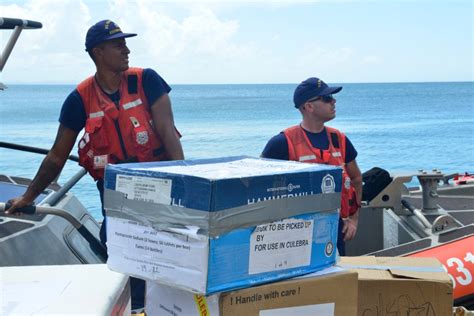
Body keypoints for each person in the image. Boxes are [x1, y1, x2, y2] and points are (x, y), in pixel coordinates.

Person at [6, 20, 184, 311]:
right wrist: (28, 197)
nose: (127, 49)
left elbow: (167, 132)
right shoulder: (79, 99)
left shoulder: (148, 80)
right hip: (115, 193)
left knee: (165, 253)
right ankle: (136, 308)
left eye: (125, 43)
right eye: (118, 44)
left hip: (159, 185)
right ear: (98, 52)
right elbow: (57, 155)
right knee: (121, 253)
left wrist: (185, 186)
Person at [261, 77, 362, 256]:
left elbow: (356, 178)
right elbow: (259, 185)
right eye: (327, 98)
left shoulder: (339, 139)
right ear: (309, 106)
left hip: (334, 228)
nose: (334, 101)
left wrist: (353, 219)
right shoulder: (283, 142)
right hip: (295, 233)